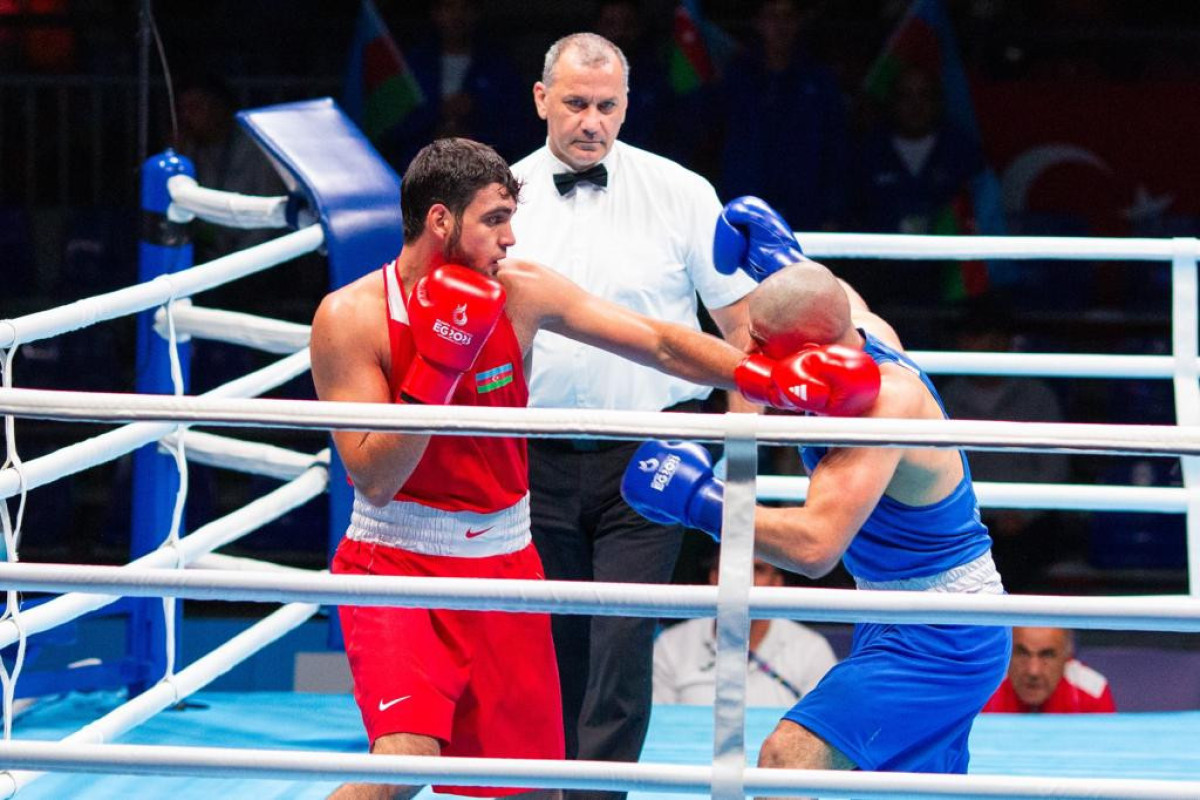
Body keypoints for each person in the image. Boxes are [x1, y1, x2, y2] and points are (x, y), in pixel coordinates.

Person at [310, 139, 842, 800]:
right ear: (441, 221)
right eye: (495, 219)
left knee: (531, 787)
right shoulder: (351, 317)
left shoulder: (520, 292)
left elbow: (658, 342)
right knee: (405, 757)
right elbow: (374, 475)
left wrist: (765, 376)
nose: (511, 237)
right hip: (398, 562)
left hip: (504, 563)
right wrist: (436, 372)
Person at [620, 196, 1012, 776]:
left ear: (807, 354)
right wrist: (782, 262)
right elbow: (836, 300)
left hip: (944, 633)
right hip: (897, 612)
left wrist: (700, 499)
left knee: (788, 757)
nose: (746, 356)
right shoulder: (856, 336)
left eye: (758, 342)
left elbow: (812, 546)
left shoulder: (882, 404)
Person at [506, 32, 759, 796]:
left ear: (626, 105)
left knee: (621, 640)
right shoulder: (501, 197)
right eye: (576, 103)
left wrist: (738, 479)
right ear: (542, 99)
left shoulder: (681, 192)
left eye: (606, 105)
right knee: (553, 645)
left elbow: (744, 335)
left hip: (655, 451)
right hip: (532, 453)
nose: (591, 121)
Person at [718, 0, 849, 233]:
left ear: (799, 23)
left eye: (788, 17)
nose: (781, 25)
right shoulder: (735, 78)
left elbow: (837, 151)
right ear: (758, 23)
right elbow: (715, 143)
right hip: (746, 212)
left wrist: (833, 212)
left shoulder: (820, 81)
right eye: (772, 16)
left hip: (807, 213)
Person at [653, 554, 837, 707]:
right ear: (714, 577)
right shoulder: (671, 644)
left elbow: (820, 733)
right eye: (735, 567)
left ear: (777, 583)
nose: (746, 578)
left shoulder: (812, 649)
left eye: (758, 570)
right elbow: (657, 730)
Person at [983, 626, 1116, 713]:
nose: (1033, 671)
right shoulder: (983, 690)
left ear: (1067, 656)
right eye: (1022, 653)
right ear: (1007, 651)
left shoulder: (1093, 692)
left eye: (1047, 655)